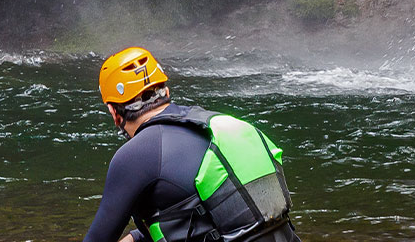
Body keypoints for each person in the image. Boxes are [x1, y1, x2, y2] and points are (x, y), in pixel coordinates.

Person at [81, 47, 299, 242]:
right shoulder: (214, 124)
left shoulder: (135, 154)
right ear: (166, 92)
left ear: (113, 112)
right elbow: (196, 216)